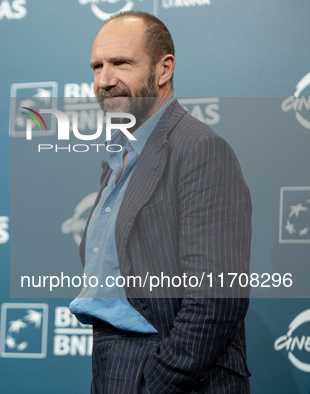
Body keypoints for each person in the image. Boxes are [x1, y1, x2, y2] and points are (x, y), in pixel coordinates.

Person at [68, 11, 252, 393]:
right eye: (97, 66)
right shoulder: (121, 155)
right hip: (110, 360)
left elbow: (217, 296)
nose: (104, 80)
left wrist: (157, 380)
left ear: (163, 69)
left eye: (121, 63)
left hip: (167, 371)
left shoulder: (200, 148)